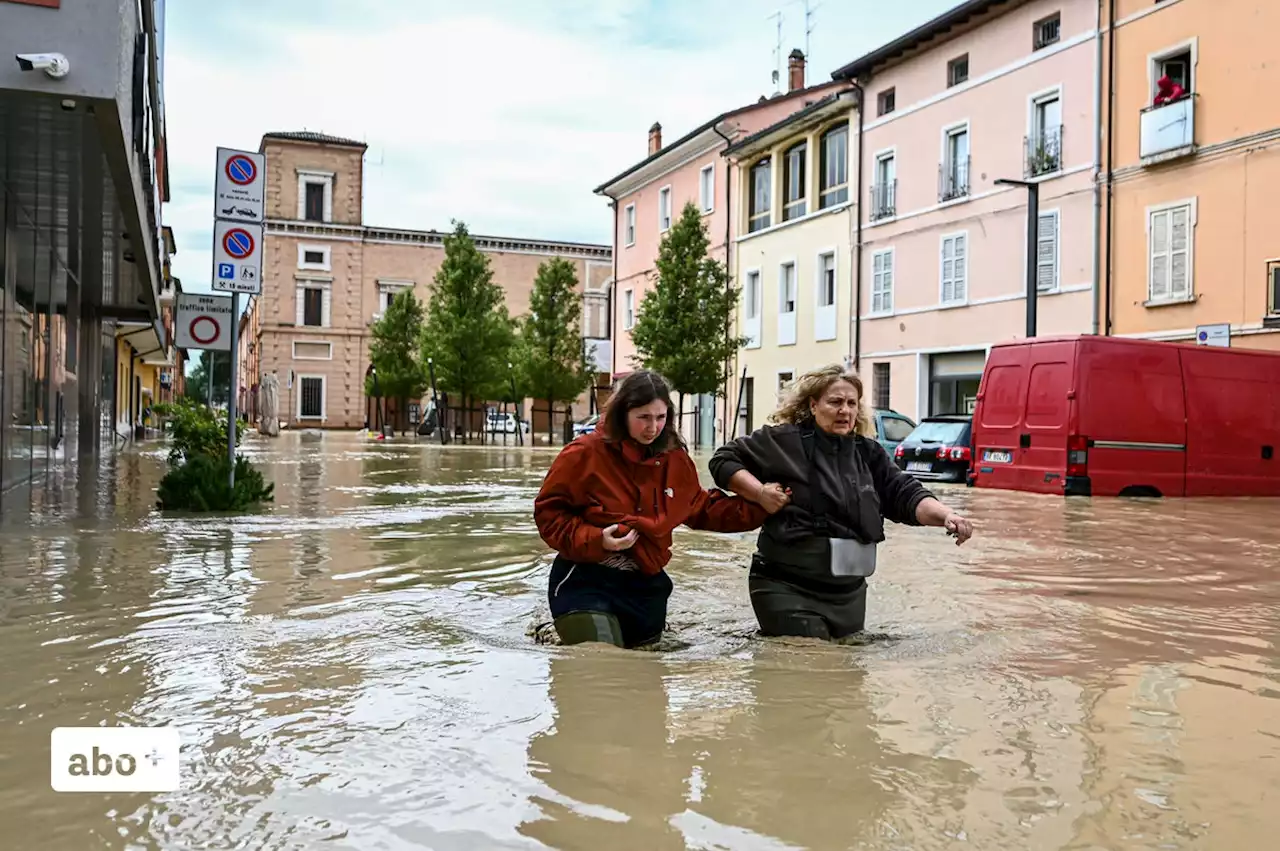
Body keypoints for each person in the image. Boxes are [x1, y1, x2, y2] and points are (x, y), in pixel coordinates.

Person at [708, 364, 973, 641]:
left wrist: (946, 516)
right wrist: (759, 492)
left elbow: (904, 493)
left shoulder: (869, 453)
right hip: (785, 586)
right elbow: (723, 460)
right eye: (835, 402)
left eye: (851, 403)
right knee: (812, 662)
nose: (844, 410)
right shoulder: (782, 441)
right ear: (813, 405)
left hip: (848, 593)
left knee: (847, 675)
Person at [533, 370, 769, 649]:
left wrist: (764, 505)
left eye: (660, 417)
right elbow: (549, 515)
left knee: (645, 673)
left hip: (646, 587)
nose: (653, 427)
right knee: (601, 661)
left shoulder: (675, 458)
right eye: (643, 417)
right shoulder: (583, 453)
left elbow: (700, 508)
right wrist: (598, 539)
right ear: (623, 413)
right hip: (585, 579)